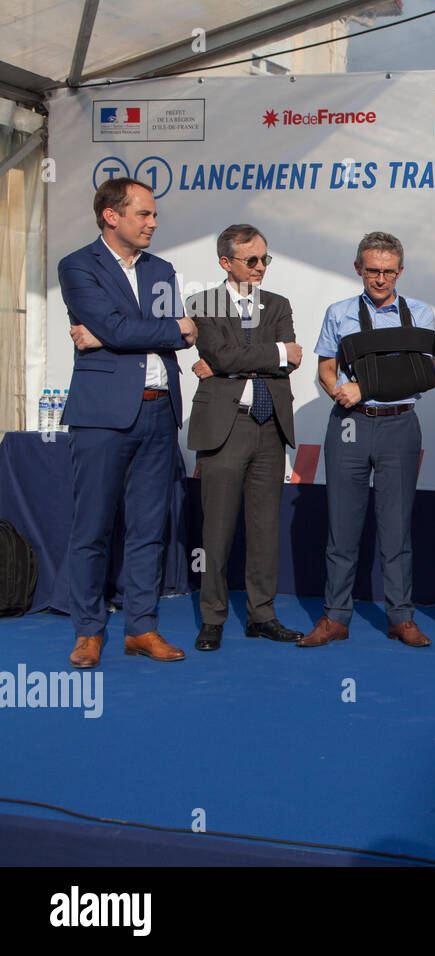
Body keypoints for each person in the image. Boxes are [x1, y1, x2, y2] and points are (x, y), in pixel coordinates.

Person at [59, 177, 197, 668]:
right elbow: (134, 327)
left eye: (154, 214)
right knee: (92, 527)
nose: (153, 223)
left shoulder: (162, 268)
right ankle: (88, 632)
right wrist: (124, 332)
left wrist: (111, 334)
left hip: (160, 411)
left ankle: (141, 628)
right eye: (144, 214)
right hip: (102, 416)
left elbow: (181, 334)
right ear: (111, 216)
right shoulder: (77, 265)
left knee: (147, 529)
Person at [298, 232, 435, 649]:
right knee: (342, 528)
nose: (380, 279)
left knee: (396, 531)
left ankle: (401, 617)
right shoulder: (338, 313)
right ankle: (335, 617)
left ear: (400, 270)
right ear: (359, 268)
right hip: (350, 426)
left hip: (399, 426)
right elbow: (326, 369)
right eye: (372, 270)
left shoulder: (420, 313)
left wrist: (364, 387)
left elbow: (423, 375)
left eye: (388, 271)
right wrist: (338, 391)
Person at [187, 224, 303, 651]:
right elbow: (221, 354)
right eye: (251, 260)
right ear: (225, 262)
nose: (260, 267)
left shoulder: (278, 304)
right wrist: (271, 354)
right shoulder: (202, 303)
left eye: (264, 259)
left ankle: (262, 615)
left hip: (269, 424)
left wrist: (233, 364)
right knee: (216, 529)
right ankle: (213, 618)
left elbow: (291, 361)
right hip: (225, 425)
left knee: (264, 527)